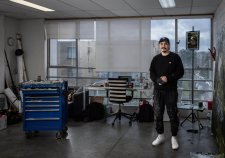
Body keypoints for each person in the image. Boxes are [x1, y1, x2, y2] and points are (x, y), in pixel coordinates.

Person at [149, 37, 184, 150]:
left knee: (172, 114)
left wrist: (168, 78)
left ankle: (174, 137)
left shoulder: (175, 57)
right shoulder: (155, 59)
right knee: (158, 114)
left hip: (171, 91)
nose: (163, 46)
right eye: (162, 44)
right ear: (159, 45)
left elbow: (180, 72)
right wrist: (157, 80)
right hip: (158, 92)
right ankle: (160, 135)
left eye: (166, 44)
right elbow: (152, 73)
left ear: (169, 45)